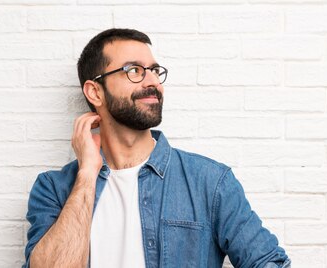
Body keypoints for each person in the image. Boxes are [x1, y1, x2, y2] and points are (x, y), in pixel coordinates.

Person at [23, 28, 291, 268]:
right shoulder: (54, 189)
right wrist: (86, 174)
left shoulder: (210, 182)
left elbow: (268, 262)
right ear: (95, 92)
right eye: (134, 71)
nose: (153, 81)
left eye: (155, 70)